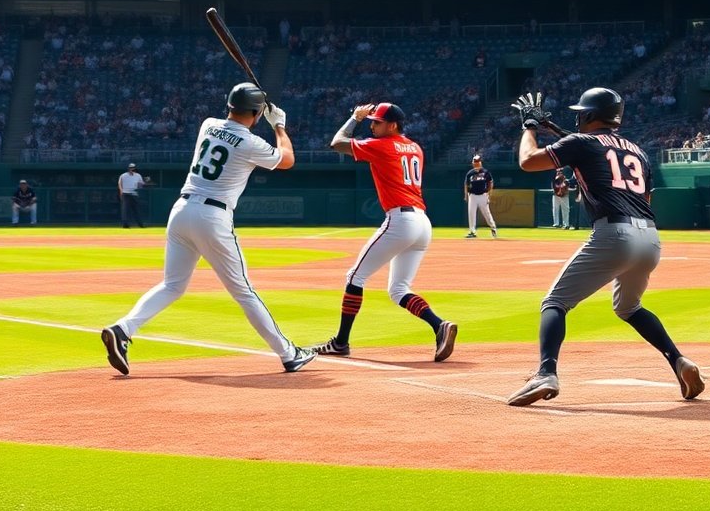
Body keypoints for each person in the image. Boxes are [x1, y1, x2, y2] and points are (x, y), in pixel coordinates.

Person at [505, 88, 704, 406]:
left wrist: (529, 126)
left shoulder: (581, 143)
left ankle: (546, 372)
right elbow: (595, 153)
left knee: (555, 302)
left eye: (581, 112)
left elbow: (528, 162)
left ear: (589, 115)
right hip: (650, 237)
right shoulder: (636, 151)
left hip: (614, 233)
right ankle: (680, 362)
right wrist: (554, 128)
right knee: (630, 308)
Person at [101, 83, 316, 375]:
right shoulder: (250, 143)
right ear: (254, 113)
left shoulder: (209, 124)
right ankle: (289, 353)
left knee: (172, 285)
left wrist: (257, 113)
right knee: (244, 292)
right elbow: (287, 159)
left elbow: (236, 128)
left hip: (181, 211)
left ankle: (123, 328)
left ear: (229, 106)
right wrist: (279, 126)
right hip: (212, 217)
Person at [311, 102, 458, 362]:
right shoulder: (415, 147)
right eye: (371, 121)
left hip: (400, 220)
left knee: (354, 276)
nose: (372, 124)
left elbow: (337, 143)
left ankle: (341, 342)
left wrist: (354, 118)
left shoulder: (382, 145)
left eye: (377, 122)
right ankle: (439, 325)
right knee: (399, 289)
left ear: (393, 125)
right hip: (423, 223)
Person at [463, 153, 498, 238]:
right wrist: (466, 195)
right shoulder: (470, 173)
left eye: (477, 162)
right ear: (473, 163)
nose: (476, 163)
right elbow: (466, 185)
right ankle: (472, 231)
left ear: (480, 162)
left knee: (487, 213)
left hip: (483, 195)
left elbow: (490, 183)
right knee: (471, 213)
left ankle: (493, 228)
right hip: (473, 195)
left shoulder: (485, 172)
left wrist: (489, 194)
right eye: (475, 162)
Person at [118, 162, 146, 228]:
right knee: (125, 210)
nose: (132, 169)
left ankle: (140, 224)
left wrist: (145, 183)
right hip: (125, 194)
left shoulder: (138, 175)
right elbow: (119, 183)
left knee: (136, 210)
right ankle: (125, 224)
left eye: (133, 168)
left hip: (134, 194)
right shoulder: (123, 175)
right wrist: (121, 191)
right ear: (128, 168)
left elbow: (140, 185)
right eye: (130, 168)